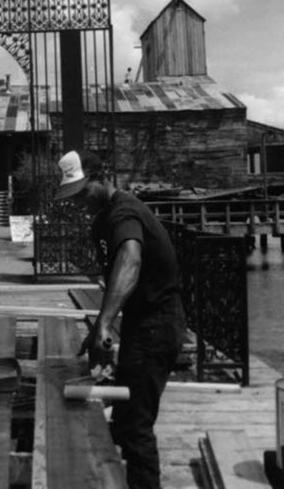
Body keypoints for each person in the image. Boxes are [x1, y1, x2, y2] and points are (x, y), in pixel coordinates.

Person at [55, 149, 185, 489]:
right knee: (127, 417)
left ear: (101, 178)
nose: (78, 201)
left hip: (157, 324)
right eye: (73, 195)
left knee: (135, 425)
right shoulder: (105, 217)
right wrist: (104, 321)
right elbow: (118, 276)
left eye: (83, 191)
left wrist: (105, 322)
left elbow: (130, 260)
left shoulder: (124, 212)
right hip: (143, 323)